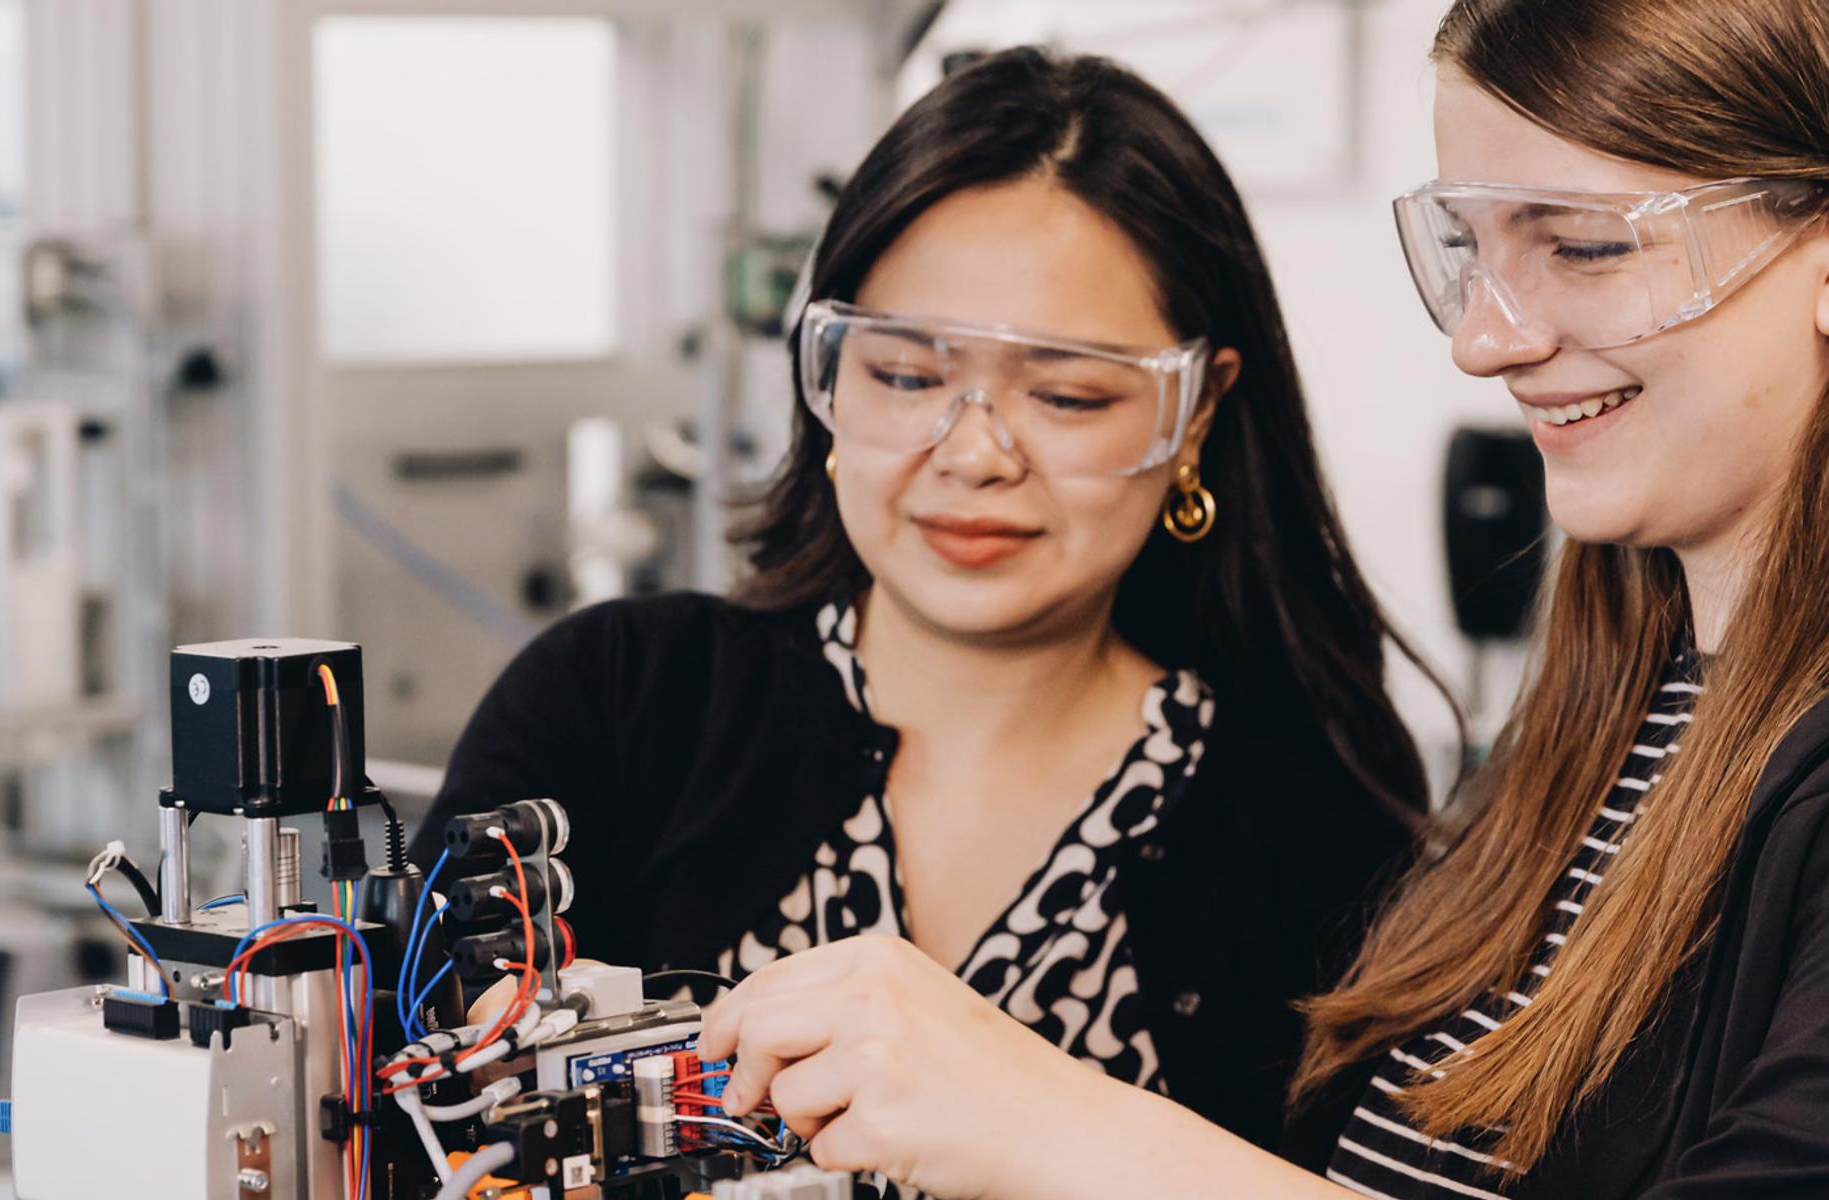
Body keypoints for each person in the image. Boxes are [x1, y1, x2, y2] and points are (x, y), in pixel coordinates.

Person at [693, 1, 1829, 1197]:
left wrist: (1055, 1123)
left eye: (1576, 246)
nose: (1487, 340)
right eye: (1467, 249)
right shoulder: (1630, 704)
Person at [412, 47, 1440, 1184]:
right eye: (904, 376)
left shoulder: (1314, 816)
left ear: (1193, 417)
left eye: (1066, 396)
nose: (973, 455)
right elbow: (416, 1124)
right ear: (830, 382)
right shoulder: (617, 703)